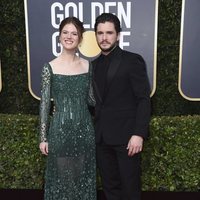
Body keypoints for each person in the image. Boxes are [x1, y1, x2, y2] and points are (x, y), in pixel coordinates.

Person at [92, 13, 151, 200]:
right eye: (100, 33)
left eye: (109, 32)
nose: (104, 37)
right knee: (110, 188)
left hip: (127, 139)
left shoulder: (132, 60)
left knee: (130, 188)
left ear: (118, 35)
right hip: (101, 139)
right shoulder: (92, 66)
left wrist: (139, 133)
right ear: (95, 35)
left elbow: (143, 99)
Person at [39, 17, 96, 200]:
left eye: (74, 33)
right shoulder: (50, 67)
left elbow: (91, 100)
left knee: (81, 181)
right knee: (64, 182)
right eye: (65, 32)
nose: (69, 36)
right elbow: (45, 104)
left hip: (84, 130)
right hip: (60, 131)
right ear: (59, 36)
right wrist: (43, 137)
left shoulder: (88, 65)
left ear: (80, 38)